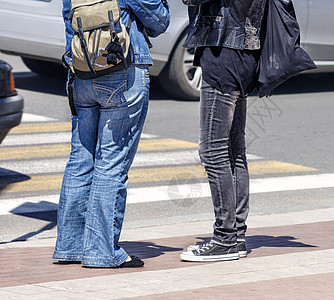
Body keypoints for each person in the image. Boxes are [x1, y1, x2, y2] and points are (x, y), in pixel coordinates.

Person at [53, 0, 170, 268]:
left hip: (81, 74)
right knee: (111, 164)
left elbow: (68, 19)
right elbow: (160, 21)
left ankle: (70, 246)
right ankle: (101, 251)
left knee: (80, 162)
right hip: (122, 71)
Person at [180, 0, 266, 262]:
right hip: (245, 52)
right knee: (233, 149)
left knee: (212, 150)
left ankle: (225, 238)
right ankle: (236, 235)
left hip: (223, 52)